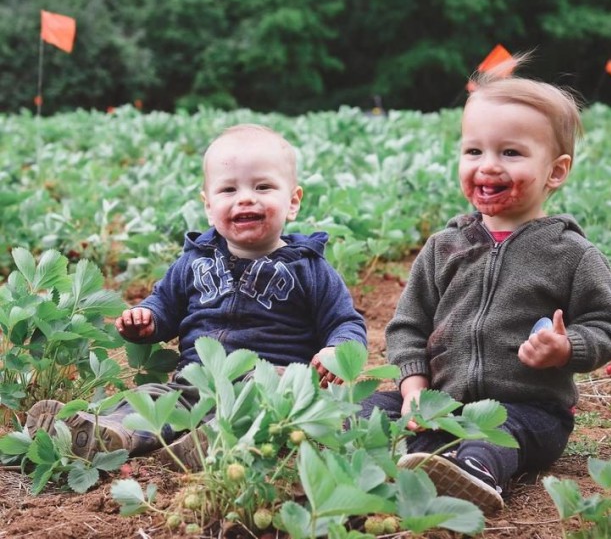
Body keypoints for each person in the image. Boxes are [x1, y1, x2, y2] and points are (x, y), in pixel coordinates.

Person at [359, 56, 611, 515]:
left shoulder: (570, 254)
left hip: (529, 411)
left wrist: (567, 348)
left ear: (556, 171)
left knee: (490, 439)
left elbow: (609, 327)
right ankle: (422, 451)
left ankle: (472, 474)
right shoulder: (444, 246)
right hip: (442, 401)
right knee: (362, 408)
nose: (488, 166)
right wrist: (413, 388)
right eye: (474, 152)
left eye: (511, 153)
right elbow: (407, 326)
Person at [27, 124, 367, 469]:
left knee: (274, 391)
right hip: (195, 381)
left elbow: (345, 321)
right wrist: (146, 319)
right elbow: (165, 305)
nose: (246, 198)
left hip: (268, 380)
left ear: (292, 202)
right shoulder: (194, 261)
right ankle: (107, 432)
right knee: (154, 400)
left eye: (263, 187)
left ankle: (214, 439)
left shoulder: (309, 268)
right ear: (208, 206)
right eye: (228, 189)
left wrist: (337, 350)